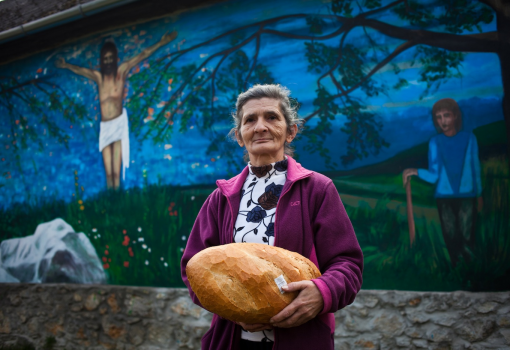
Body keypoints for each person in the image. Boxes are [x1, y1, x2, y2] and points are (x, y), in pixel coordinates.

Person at [181, 84, 363, 349]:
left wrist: (322, 293)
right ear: (240, 136)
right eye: (250, 120)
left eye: (272, 117)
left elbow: (348, 264)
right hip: (233, 340)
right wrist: (234, 309)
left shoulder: (317, 189)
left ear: (291, 132)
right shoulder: (220, 198)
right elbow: (193, 268)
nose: (260, 126)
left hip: (301, 340)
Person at [55, 32, 177, 189]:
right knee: (109, 172)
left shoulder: (121, 72)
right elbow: (81, 71)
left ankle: (118, 199)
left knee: (116, 172)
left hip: (118, 124)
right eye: (105, 59)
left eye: (110, 58)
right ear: (101, 60)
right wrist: (66, 65)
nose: (108, 61)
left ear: (115, 58)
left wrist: (161, 42)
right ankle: (111, 200)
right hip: (105, 127)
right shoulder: (99, 78)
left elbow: (142, 55)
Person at [403, 98, 483, 267]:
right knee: (450, 236)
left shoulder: (470, 138)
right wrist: (415, 171)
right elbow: (434, 175)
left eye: (446, 115)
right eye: (438, 117)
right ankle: (457, 269)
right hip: (444, 197)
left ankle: (472, 271)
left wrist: (480, 195)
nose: (443, 121)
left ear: (455, 116)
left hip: (467, 195)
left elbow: (475, 169)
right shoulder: (435, 142)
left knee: (467, 235)